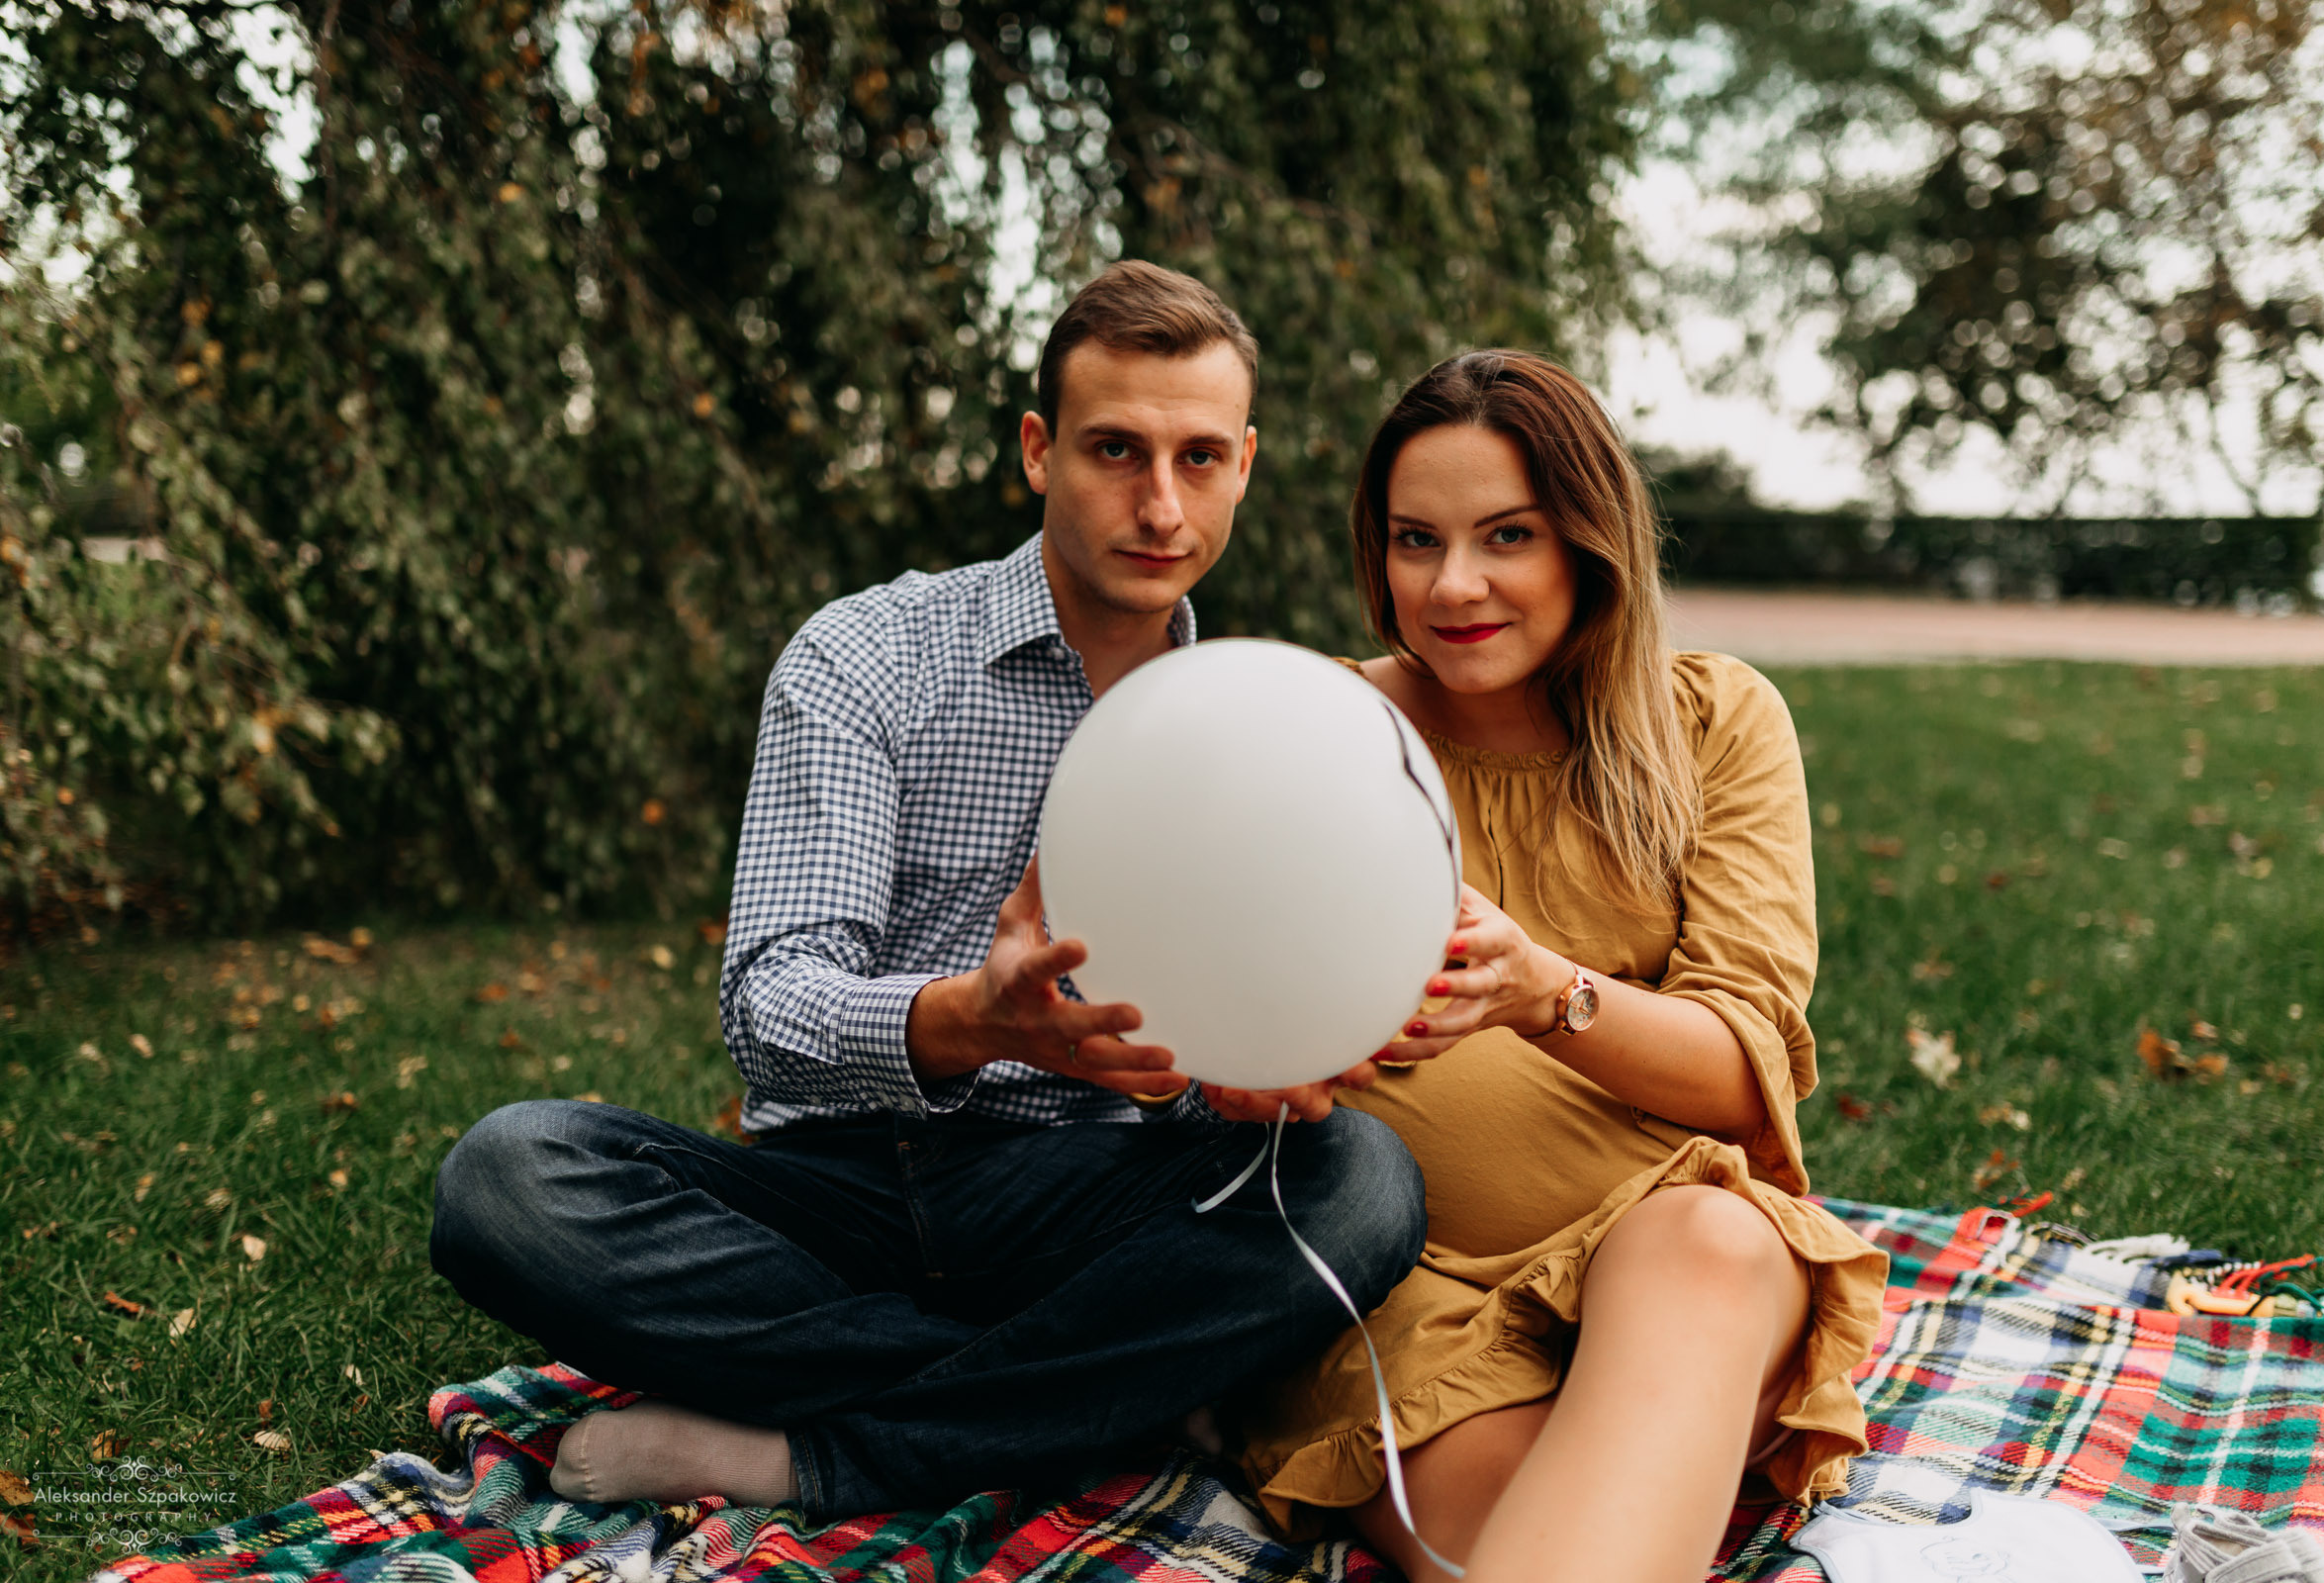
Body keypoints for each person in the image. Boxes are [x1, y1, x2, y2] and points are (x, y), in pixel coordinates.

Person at [428, 261, 1426, 1523]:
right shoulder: (867, 655)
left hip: (1085, 1193)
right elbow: (769, 1014)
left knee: (1363, 1182)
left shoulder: (1258, 720)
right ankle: (1095, 1387)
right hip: (831, 1191)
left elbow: (1228, 1039)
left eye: (1201, 458)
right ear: (1036, 451)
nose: (1160, 502)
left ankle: (813, 1452)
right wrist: (971, 1018)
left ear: (1246, 464)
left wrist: (1260, 1060)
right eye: (1115, 449)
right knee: (508, 1178)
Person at [1235, 349, 1889, 1583]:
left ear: (1590, 541)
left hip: (1665, 1254)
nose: (1454, 584)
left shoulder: (1713, 724)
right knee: (1529, 1545)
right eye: (1414, 540)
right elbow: (1192, 1018)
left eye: (1507, 536)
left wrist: (1546, 991)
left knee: (1703, 1245)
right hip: (1404, 1294)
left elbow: (1747, 1073)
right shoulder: (1316, 727)